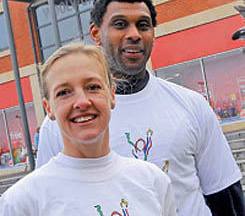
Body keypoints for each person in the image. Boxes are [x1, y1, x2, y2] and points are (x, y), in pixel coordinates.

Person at [36, 0, 245, 216]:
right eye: (120, 24)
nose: (134, 34)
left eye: (143, 25)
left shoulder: (191, 105)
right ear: (96, 34)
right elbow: (48, 202)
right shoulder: (63, 123)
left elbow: (225, 194)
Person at [0, 43, 177, 216]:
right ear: (49, 108)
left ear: (112, 95)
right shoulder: (22, 202)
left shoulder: (152, 180)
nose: (82, 102)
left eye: (93, 87)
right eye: (64, 92)